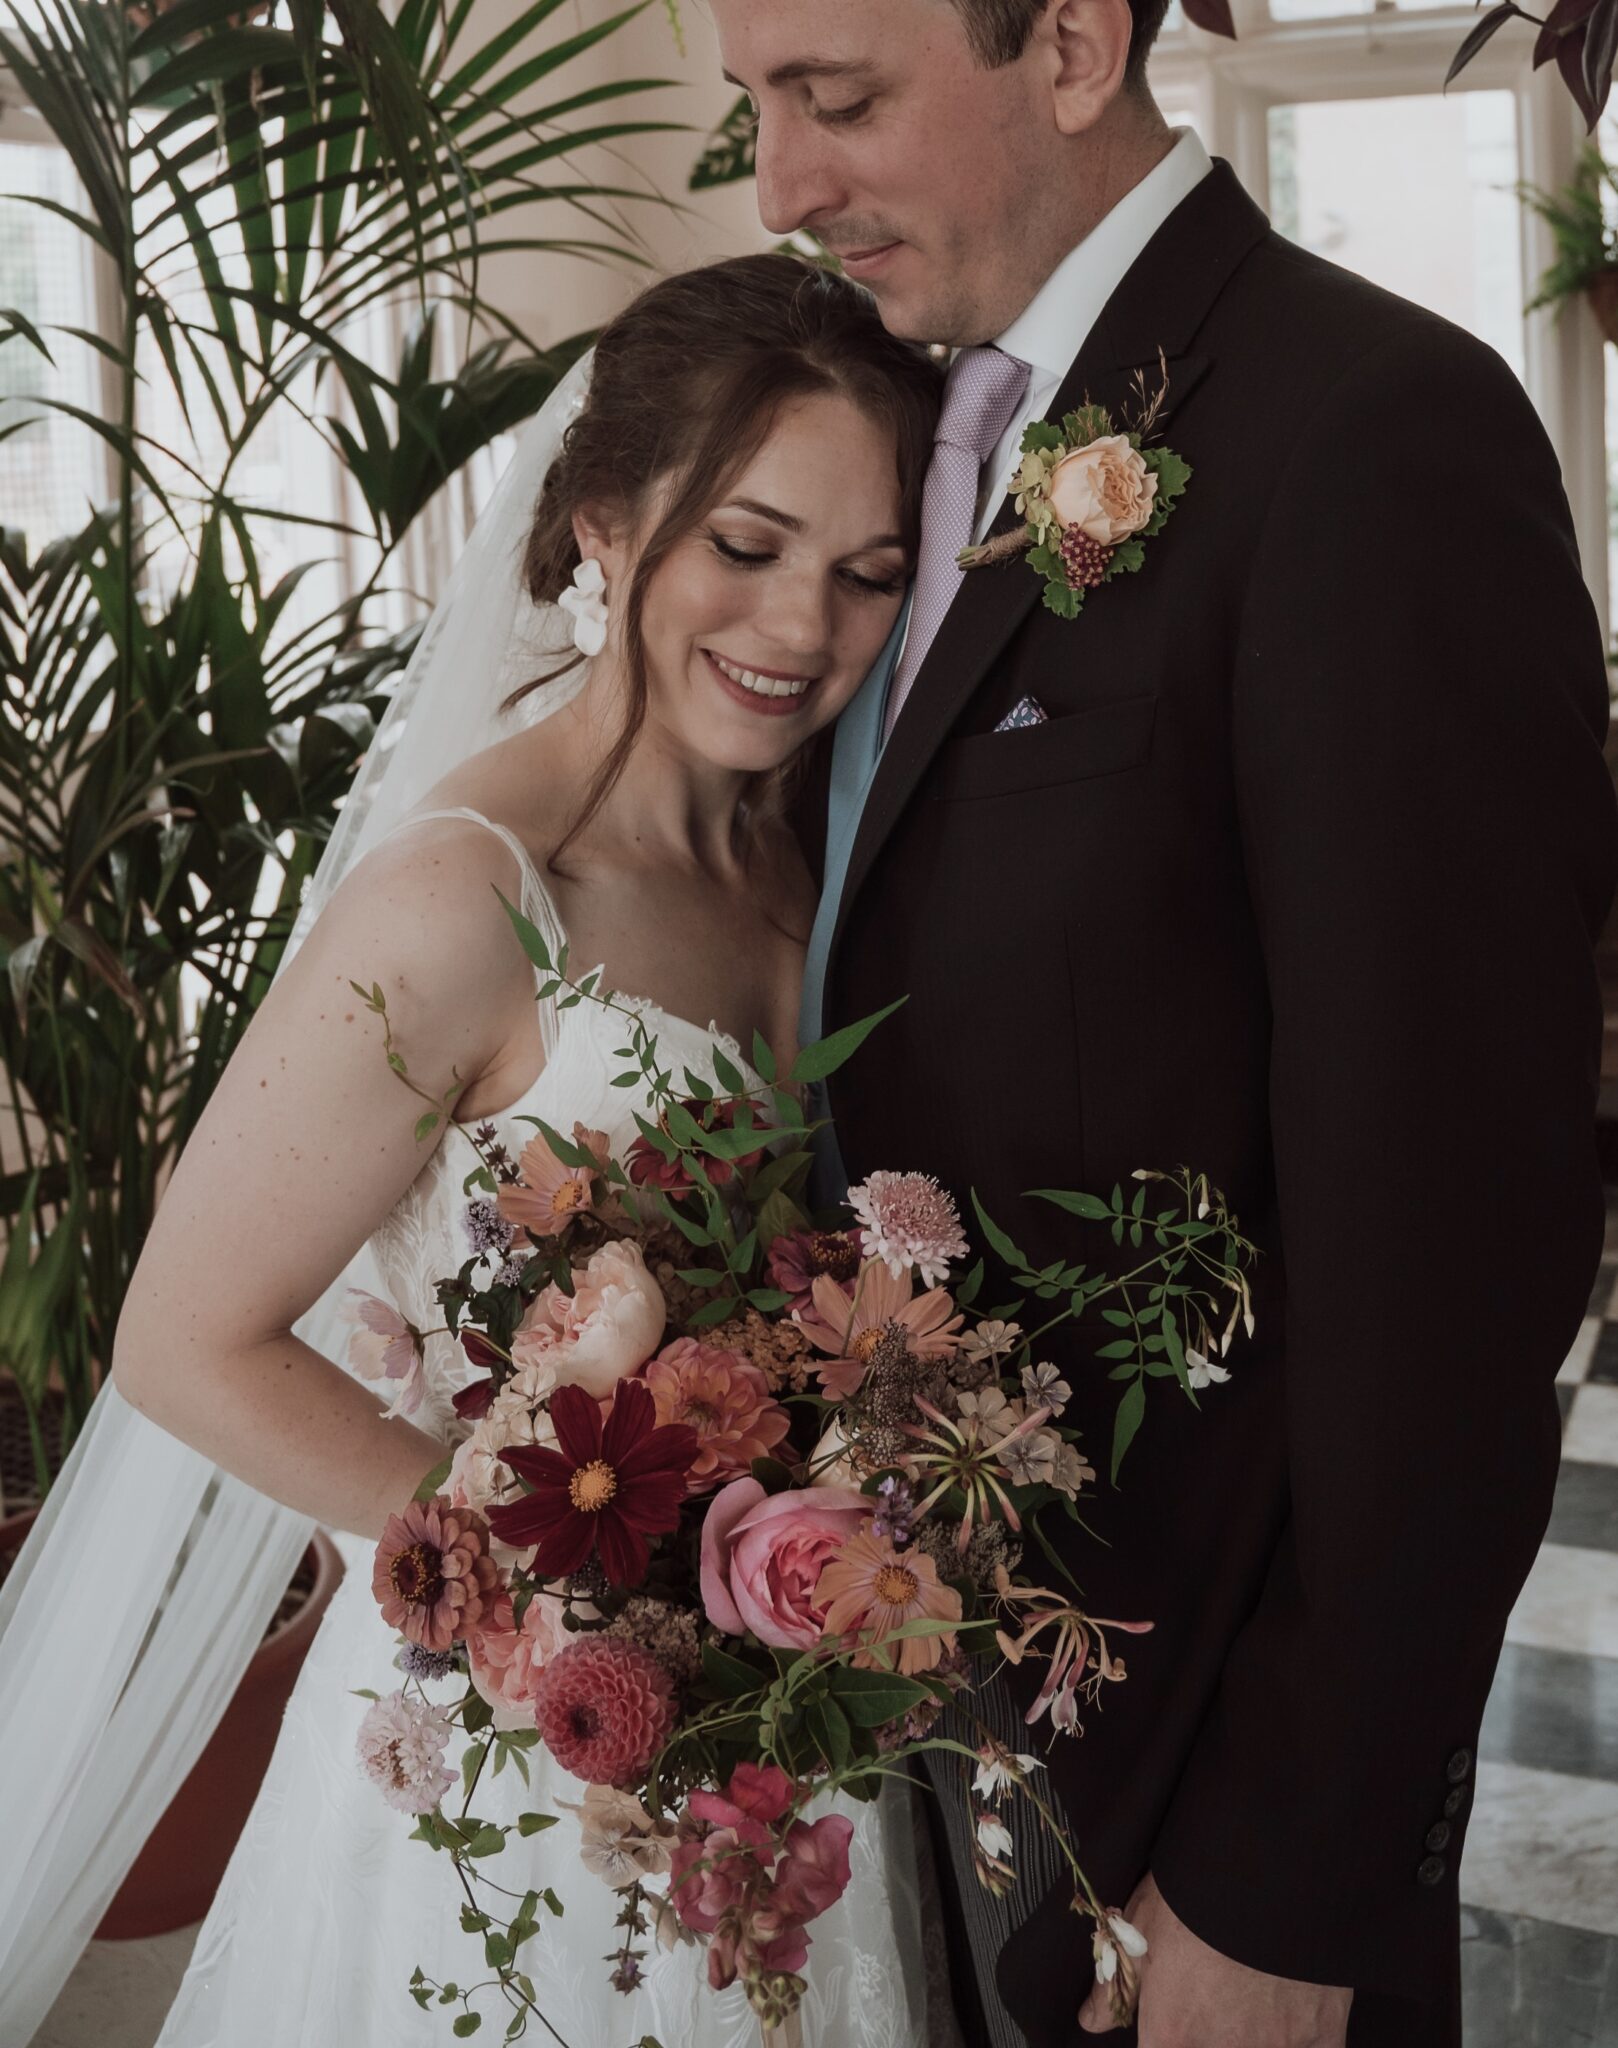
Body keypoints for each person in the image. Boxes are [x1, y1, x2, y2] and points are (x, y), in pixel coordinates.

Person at [706, 2, 1618, 2046]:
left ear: (1071, 43)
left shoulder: (1371, 428)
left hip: (1198, 1794)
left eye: (835, 101)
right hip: (893, 1728)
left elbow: (1457, 1233)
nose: (778, 186)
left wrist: (1297, 1864)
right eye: (752, 108)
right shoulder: (876, 431)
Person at [0, 254, 947, 2048]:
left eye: (867, 572)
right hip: (516, 1744)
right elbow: (183, 1339)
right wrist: (542, 1594)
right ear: (603, 524)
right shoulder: (466, 899)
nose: (803, 625)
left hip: (784, 1728)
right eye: (747, 545)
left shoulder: (809, 864)